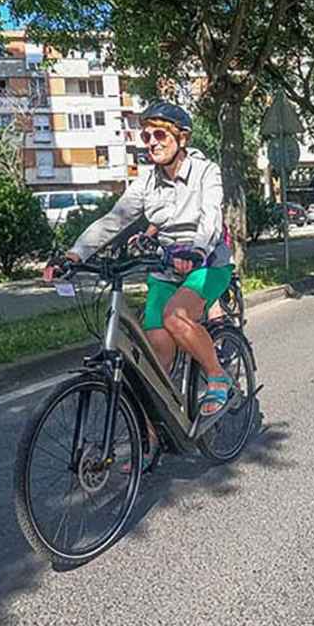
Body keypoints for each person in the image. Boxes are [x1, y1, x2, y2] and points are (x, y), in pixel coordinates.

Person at [48, 101, 234, 423]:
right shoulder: (146, 182)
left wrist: (197, 251)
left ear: (182, 138)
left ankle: (218, 376)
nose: (152, 142)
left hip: (206, 264)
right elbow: (114, 220)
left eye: (160, 134)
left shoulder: (206, 172)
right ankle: (148, 440)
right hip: (165, 268)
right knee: (156, 350)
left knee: (176, 318)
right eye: (146, 136)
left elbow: (211, 219)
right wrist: (74, 255)